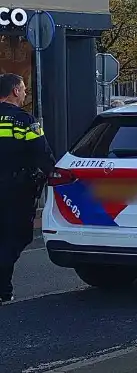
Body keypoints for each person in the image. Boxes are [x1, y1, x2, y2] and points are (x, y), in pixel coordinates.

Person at [0, 74, 56, 303]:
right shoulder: (24, 121)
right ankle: (3, 289)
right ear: (14, 91)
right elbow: (43, 155)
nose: (25, 94)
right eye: (23, 90)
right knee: (15, 237)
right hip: (16, 191)